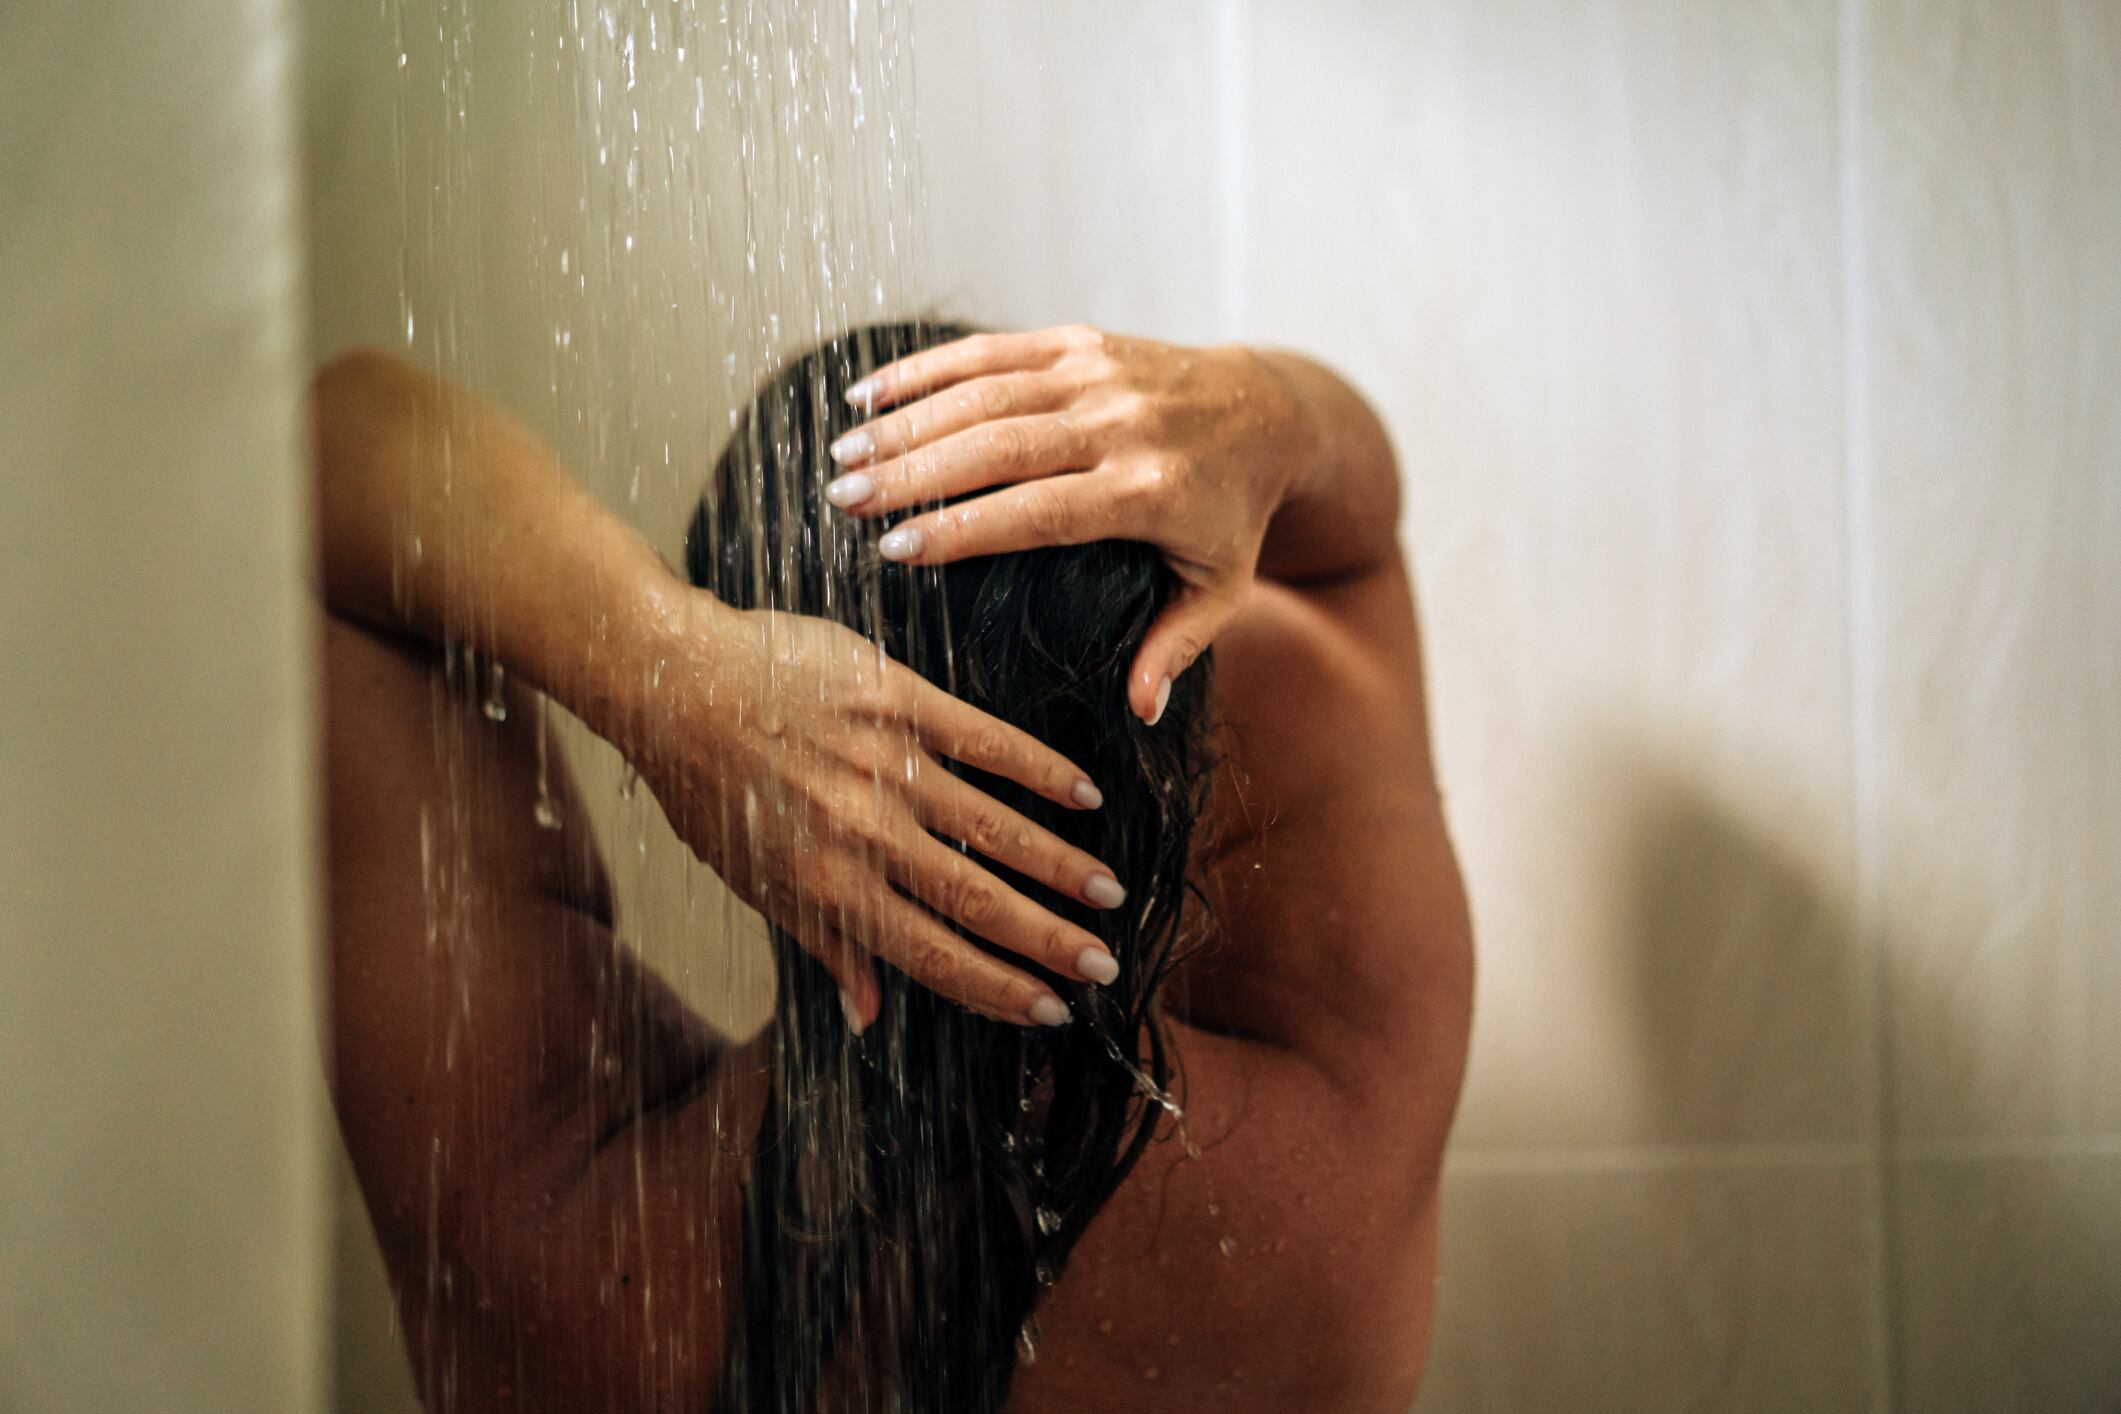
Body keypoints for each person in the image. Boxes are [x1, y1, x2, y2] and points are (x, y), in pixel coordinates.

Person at [315, 320, 1472, 1412]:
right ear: (1176, 758)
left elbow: (325, 450)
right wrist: (1272, 410)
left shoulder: (547, 1223)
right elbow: (1347, 555)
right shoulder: (1339, 1161)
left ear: (739, 809)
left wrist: (658, 666)